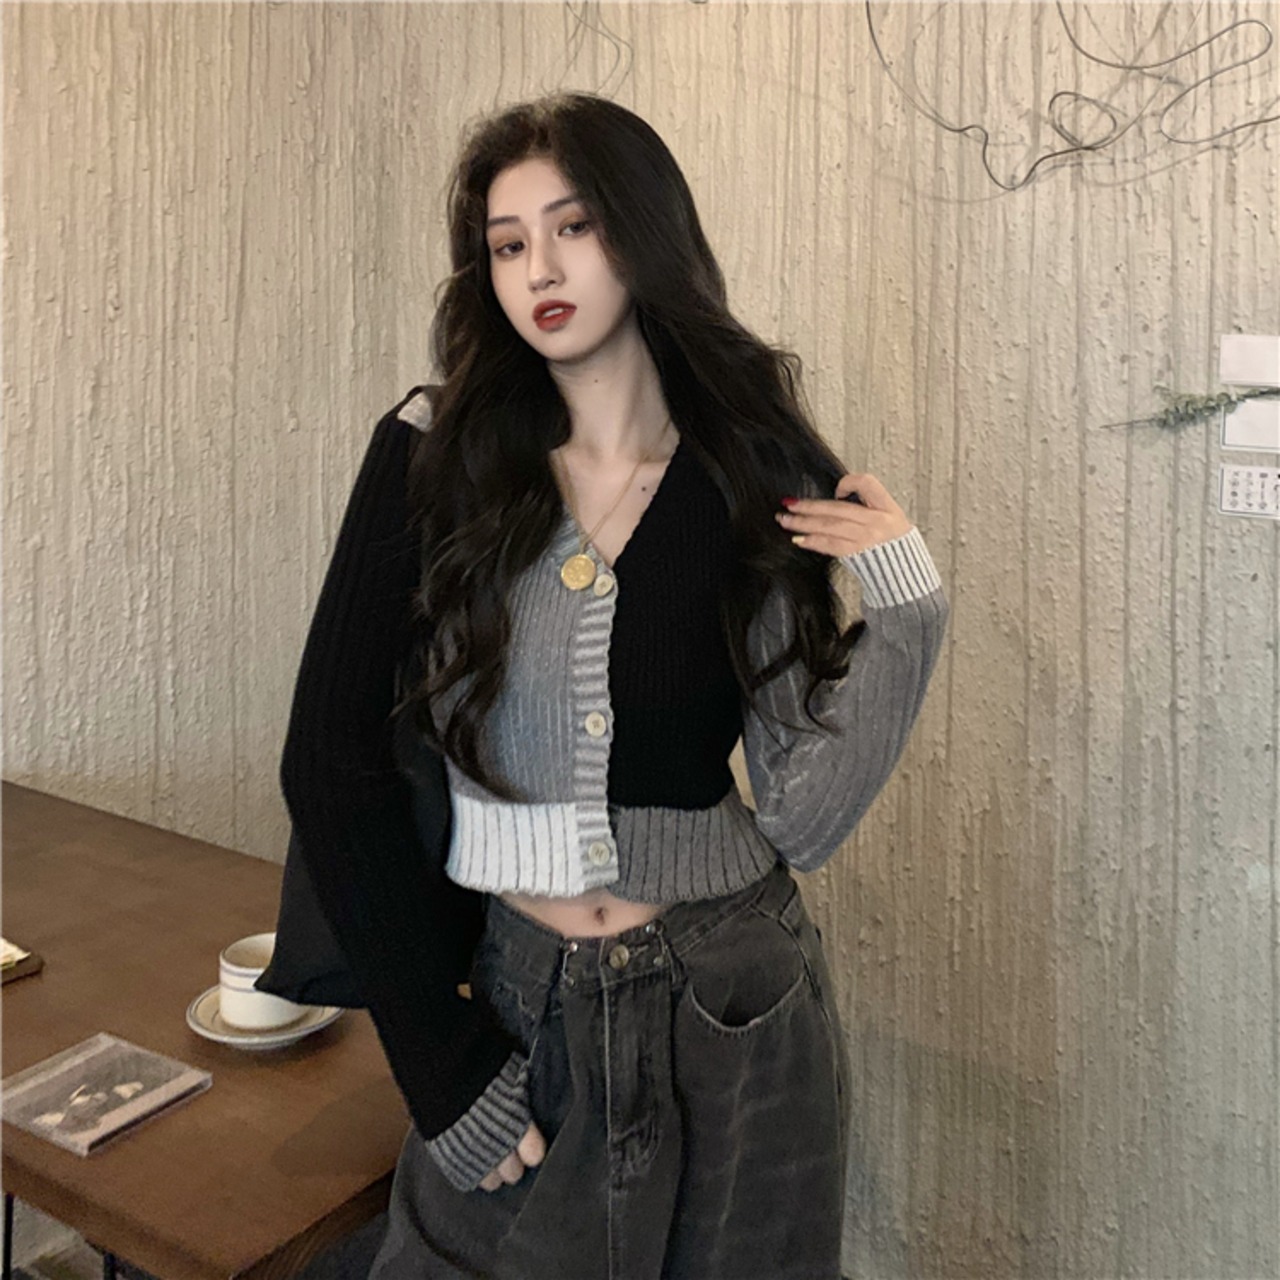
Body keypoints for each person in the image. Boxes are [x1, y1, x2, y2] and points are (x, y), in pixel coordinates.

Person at [274, 92, 948, 1280]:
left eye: (572, 227)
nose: (539, 267)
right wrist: (440, 1066)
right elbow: (328, 763)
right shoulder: (434, 454)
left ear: (641, 234)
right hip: (518, 999)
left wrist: (909, 606)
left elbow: (800, 811)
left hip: (734, 1006)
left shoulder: (746, 466)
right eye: (507, 243)